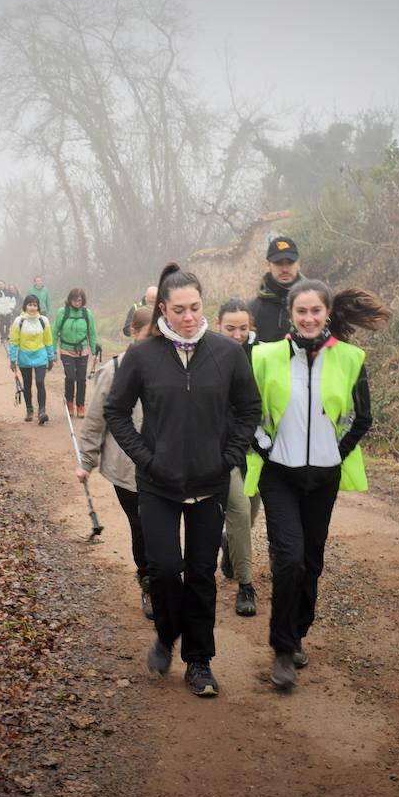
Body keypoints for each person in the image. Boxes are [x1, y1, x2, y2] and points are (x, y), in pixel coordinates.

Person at [104, 263, 261, 698]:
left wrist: (228, 458)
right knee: (165, 568)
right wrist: (146, 458)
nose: (189, 317)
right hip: (157, 485)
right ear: (162, 310)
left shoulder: (225, 354)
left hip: (209, 483)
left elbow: (249, 410)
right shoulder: (143, 355)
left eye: (195, 307)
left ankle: (199, 662)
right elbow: (117, 411)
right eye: (179, 310)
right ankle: (165, 636)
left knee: (200, 573)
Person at [246, 280, 386, 690]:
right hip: (279, 475)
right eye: (301, 311)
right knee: (288, 557)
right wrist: (267, 448)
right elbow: (247, 410)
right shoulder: (265, 357)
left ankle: (298, 630)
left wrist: (335, 453)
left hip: (323, 477)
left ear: (327, 313)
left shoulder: (350, 358)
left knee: (311, 561)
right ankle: (283, 649)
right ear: (290, 313)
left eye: (315, 311)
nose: (308, 318)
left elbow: (362, 418)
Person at [76, 306, 155, 621]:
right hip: (127, 470)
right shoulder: (114, 370)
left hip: (166, 468)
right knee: (141, 525)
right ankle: (148, 583)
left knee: (161, 528)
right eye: (149, 333)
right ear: (134, 332)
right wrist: (86, 460)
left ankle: (166, 578)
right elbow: (96, 419)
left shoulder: (174, 367)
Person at [215, 299, 262, 617]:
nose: (237, 334)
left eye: (243, 328)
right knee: (241, 511)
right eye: (230, 328)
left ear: (251, 328)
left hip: (256, 449)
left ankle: (231, 550)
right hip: (222, 449)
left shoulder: (263, 356)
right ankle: (246, 586)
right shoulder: (207, 356)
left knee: (252, 511)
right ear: (218, 325)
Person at [53, 288, 100, 418]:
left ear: (82, 300)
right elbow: (54, 332)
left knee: (81, 378)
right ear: (70, 299)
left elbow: (92, 332)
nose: (77, 303)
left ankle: (80, 405)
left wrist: (95, 351)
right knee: (70, 376)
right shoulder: (62, 312)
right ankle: (69, 402)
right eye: (74, 300)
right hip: (66, 350)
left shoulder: (87, 313)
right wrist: (52, 351)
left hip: (83, 350)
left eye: (79, 300)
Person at [8, 294, 55, 424]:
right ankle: (29, 409)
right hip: (24, 357)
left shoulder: (43, 320)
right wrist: (12, 360)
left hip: (40, 356)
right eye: (30, 305)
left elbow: (48, 340)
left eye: (35, 305)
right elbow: (13, 342)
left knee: (40, 382)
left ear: (38, 306)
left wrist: (51, 358)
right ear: (25, 306)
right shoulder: (19, 321)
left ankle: (42, 411)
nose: (32, 308)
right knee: (27, 385)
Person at [249, 234, 304, 343]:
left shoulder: (316, 303)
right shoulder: (254, 309)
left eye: (290, 262)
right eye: (278, 263)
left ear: (298, 263)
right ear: (268, 264)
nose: (284, 269)